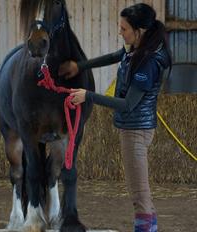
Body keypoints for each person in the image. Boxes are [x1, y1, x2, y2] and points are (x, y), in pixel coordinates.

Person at [59, 3, 172, 232]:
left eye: (124, 29)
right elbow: (113, 56)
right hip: (134, 128)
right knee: (141, 193)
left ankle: (145, 228)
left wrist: (87, 96)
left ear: (139, 31)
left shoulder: (148, 62)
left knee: (139, 195)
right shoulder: (137, 48)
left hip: (135, 131)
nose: (120, 32)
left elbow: (128, 104)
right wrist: (79, 66)